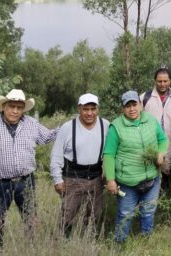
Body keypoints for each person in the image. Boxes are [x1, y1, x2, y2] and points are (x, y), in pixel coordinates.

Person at [0, 89, 58, 249]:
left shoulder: (31, 124)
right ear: (3, 106)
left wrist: (70, 128)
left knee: (30, 219)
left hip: (26, 181)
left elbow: (49, 136)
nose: (15, 111)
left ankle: (30, 249)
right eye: (12, 106)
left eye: (19, 107)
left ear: (23, 109)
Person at [103, 91, 168, 243]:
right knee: (126, 214)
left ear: (140, 105)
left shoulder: (151, 120)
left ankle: (146, 242)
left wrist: (161, 153)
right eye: (128, 106)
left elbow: (163, 139)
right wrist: (111, 180)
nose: (132, 109)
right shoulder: (116, 127)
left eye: (134, 104)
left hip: (152, 179)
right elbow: (109, 154)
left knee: (148, 212)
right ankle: (119, 245)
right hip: (127, 183)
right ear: (123, 108)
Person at [50, 93, 109, 237]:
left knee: (94, 215)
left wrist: (109, 176)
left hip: (96, 178)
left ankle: (89, 243)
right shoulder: (67, 127)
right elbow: (56, 155)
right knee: (68, 215)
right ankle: (64, 243)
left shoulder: (106, 125)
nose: (89, 113)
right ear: (79, 109)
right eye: (85, 109)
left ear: (97, 109)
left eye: (93, 109)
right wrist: (57, 179)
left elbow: (111, 154)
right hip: (72, 178)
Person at [142, 67, 171, 191]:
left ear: (170, 81)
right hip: (150, 150)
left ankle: (168, 208)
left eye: (165, 81)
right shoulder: (145, 98)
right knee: (150, 184)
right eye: (159, 81)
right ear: (154, 81)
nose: (162, 84)